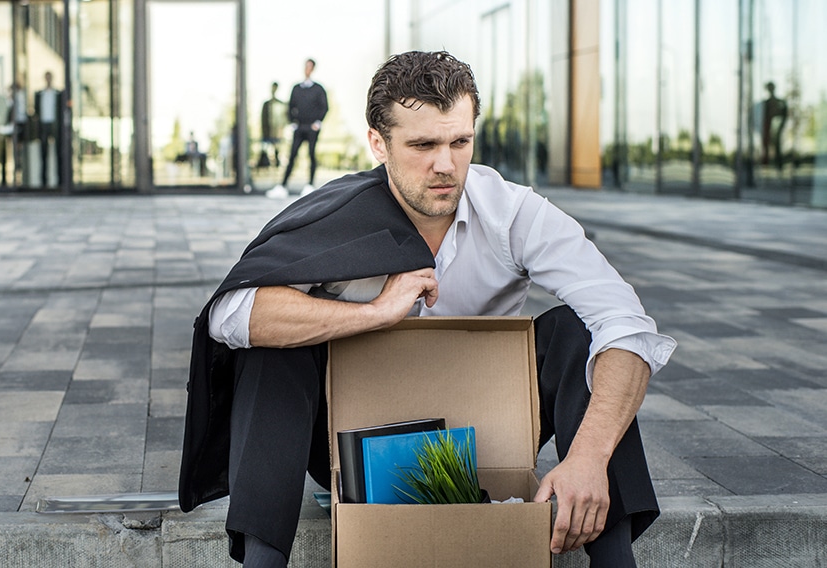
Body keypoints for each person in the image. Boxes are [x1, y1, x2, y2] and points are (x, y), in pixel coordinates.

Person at [179, 51, 676, 568]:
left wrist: (588, 460)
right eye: (422, 145)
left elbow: (627, 324)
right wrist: (374, 312)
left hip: (484, 432)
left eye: (459, 142)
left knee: (580, 331)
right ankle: (263, 563)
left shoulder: (512, 213)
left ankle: (616, 561)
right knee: (273, 345)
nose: (445, 164)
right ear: (378, 143)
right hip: (350, 445)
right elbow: (230, 313)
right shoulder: (336, 212)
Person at [267, 59, 328, 199]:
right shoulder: (296, 88)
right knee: (292, 155)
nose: (307, 69)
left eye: (310, 67)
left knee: (311, 155)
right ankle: (282, 186)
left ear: (313, 69)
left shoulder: (318, 89)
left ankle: (310, 185)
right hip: (299, 128)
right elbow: (290, 107)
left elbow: (324, 107)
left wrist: (317, 123)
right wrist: (292, 123)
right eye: (306, 66)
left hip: (312, 128)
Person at [34, 71, 62, 188]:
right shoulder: (39, 94)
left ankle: (60, 180)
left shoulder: (58, 94)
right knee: (43, 154)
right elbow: (36, 112)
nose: (48, 80)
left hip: (55, 125)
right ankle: (43, 181)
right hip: (43, 125)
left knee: (58, 153)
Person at [258, 82, 286, 169]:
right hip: (268, 131)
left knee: (276, 148)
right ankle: (265, 163)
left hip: (276, 131)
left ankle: (275, 162)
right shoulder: (267, 104)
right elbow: (263, 119)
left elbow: (283, 118)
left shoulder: (280, 104)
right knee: (266, 148)